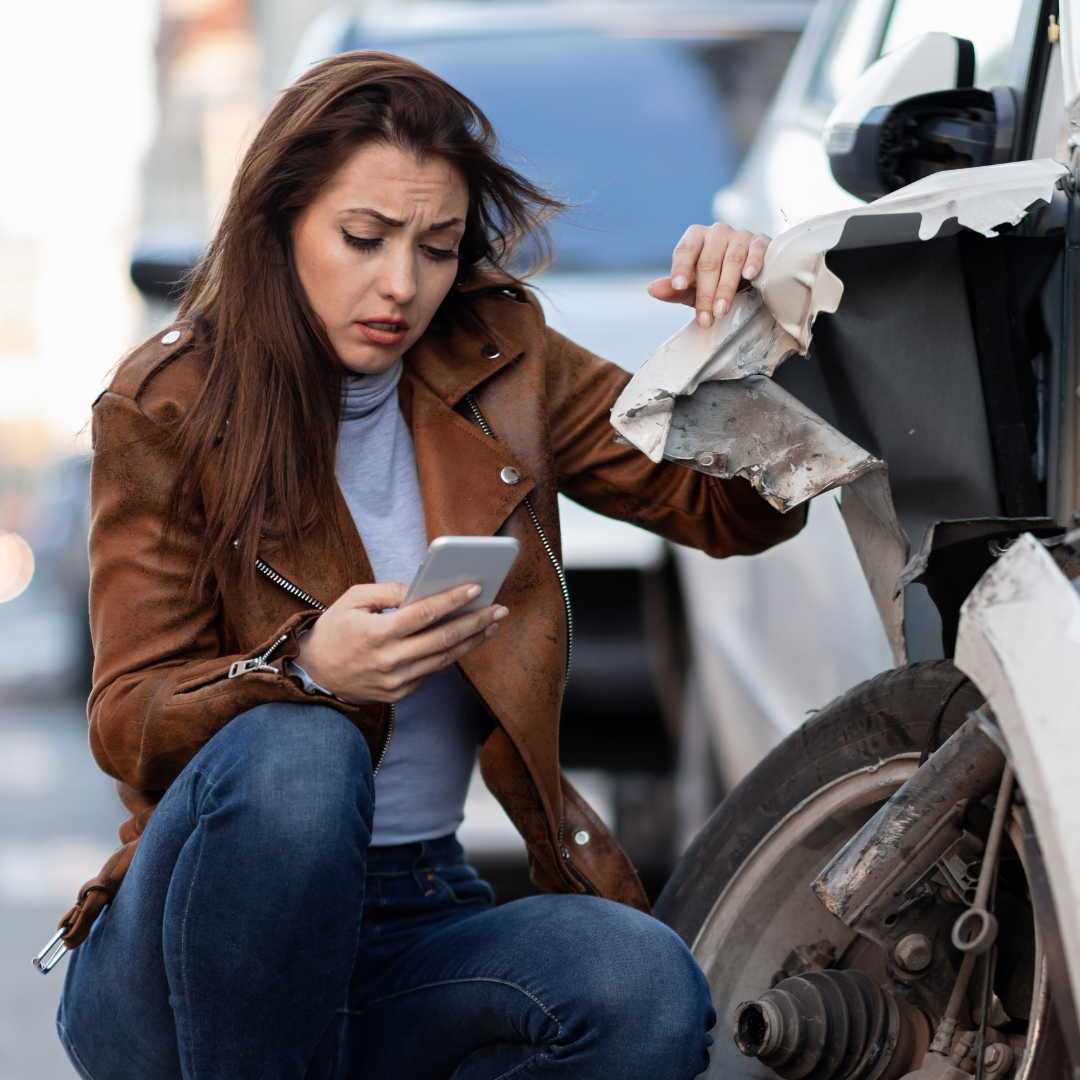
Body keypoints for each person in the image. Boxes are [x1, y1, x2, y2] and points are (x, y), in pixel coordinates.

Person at [55, 52, 796, 1080]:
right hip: (185, 956)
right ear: (279, 228)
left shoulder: (503, 358)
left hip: (414, 917)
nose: (401, 285)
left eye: (437, 248)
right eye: (363, 238)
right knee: (302, 755)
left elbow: (729, 510)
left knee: (640, 988)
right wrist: (310, 668)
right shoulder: (169, 402)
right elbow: (126, 715)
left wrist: (748, 338)